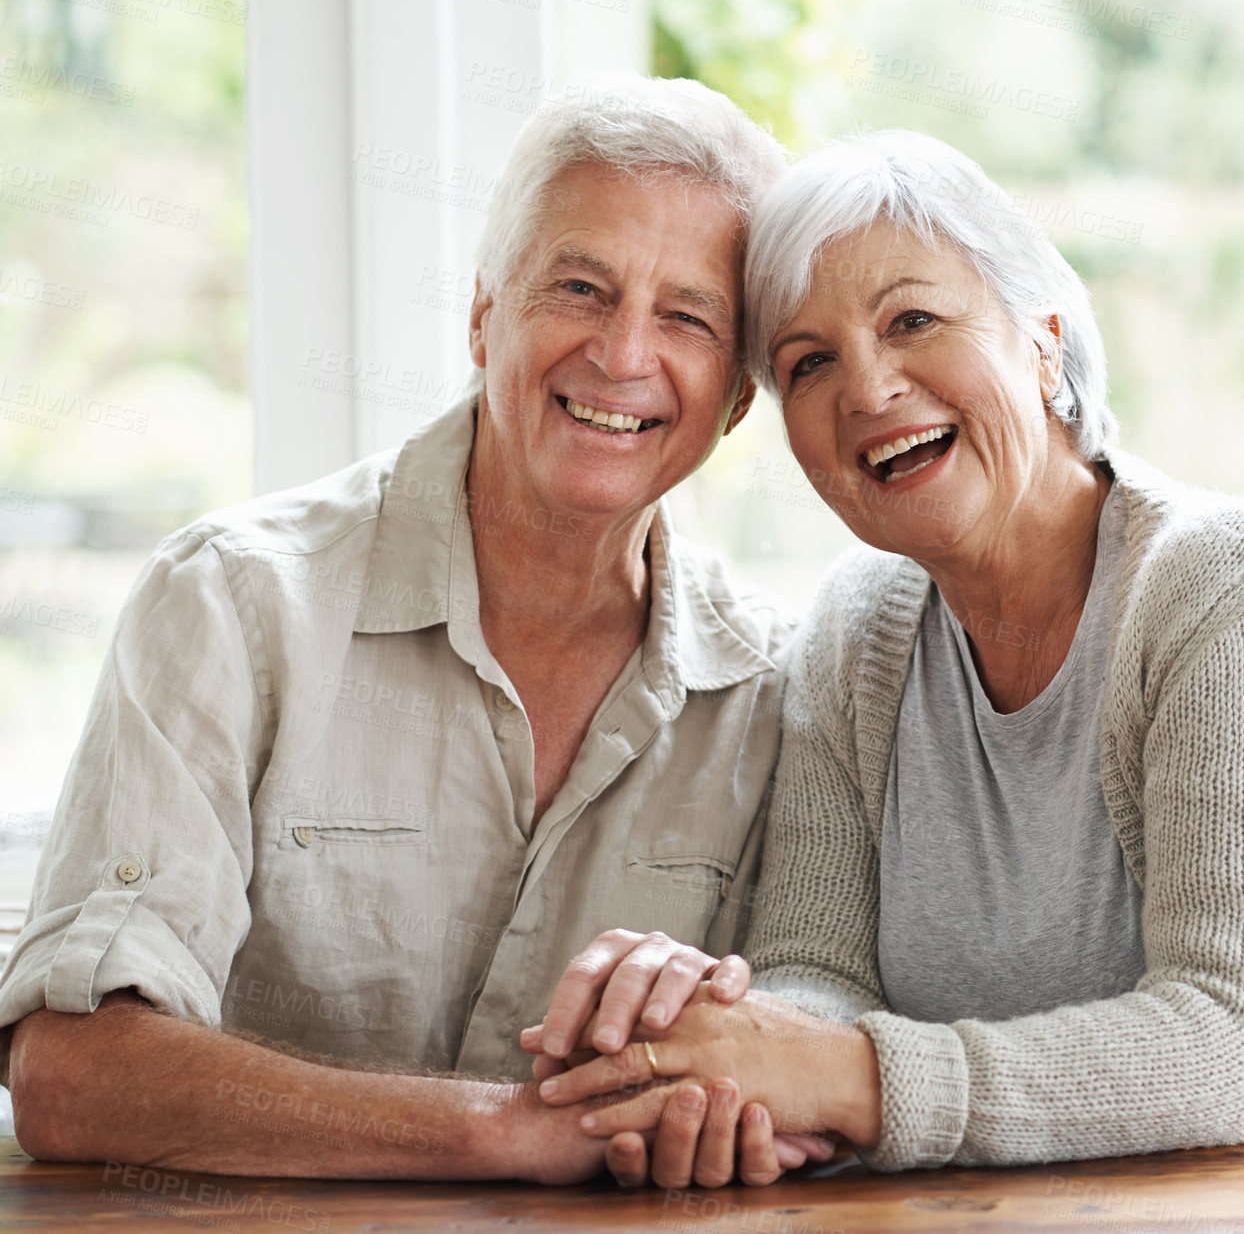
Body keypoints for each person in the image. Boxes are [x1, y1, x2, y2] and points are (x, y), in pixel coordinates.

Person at [527, 130, 1244, 1176]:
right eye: (807, 364)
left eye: (913, 319)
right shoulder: (855, 634)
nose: (866, 389)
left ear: (1042, 340)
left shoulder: (1231, 587)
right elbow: (821, 970)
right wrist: (736, 1064)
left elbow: (1238, 1045)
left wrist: (845, 1077)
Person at [0, 75, 831, 1187]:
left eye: (688, 317)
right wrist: (501, 1130)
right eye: (580, 287)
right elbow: (72, 1070)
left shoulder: (783, 692)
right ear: (485, 313)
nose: (625, 355)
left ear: (735, 397)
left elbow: (805, 1060)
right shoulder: (233, 602)